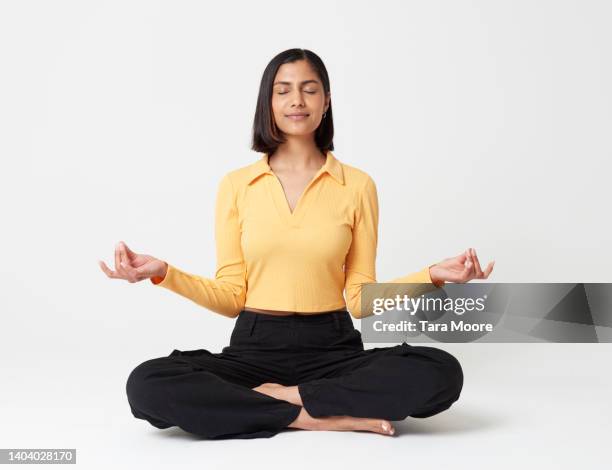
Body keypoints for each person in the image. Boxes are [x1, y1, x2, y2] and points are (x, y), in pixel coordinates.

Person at [99, 48, 494, 440]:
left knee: (441, 371)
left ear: (326, 101)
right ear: (267, 102)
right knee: (147, 384)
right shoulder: (237, 186)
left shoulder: (357, 185)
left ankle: (279, 400)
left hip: (333, 348)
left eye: (309, 89)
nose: (297, 101)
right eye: (283, 90)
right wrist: (164, 273)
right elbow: (230, 297)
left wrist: (433, 276)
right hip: (254, 349)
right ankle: (312, 416)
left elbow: (358, 299)